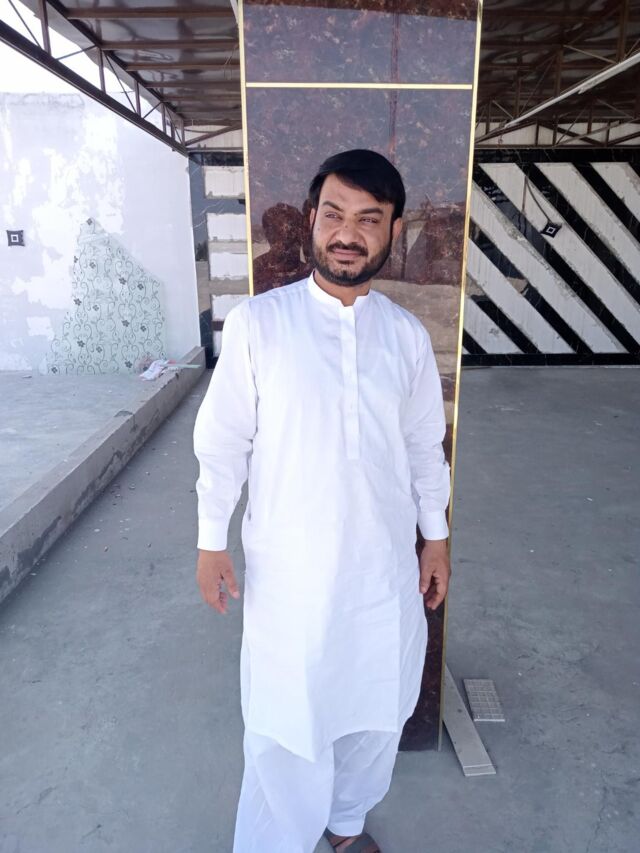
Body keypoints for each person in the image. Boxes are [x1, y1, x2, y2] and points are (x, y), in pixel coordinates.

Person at [193, 149, 451, 853]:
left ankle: (346, 825)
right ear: (311, 220)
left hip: (382, 573)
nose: (348, 233)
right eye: (334, 214)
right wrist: (211, 540)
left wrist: (435, 537)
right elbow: (222, 443)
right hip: (292, 578)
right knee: (287, 723)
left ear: (393, 231)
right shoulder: (259, 325)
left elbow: (425, 446)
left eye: (369, 219)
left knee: (375, 709)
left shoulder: (404, 336)